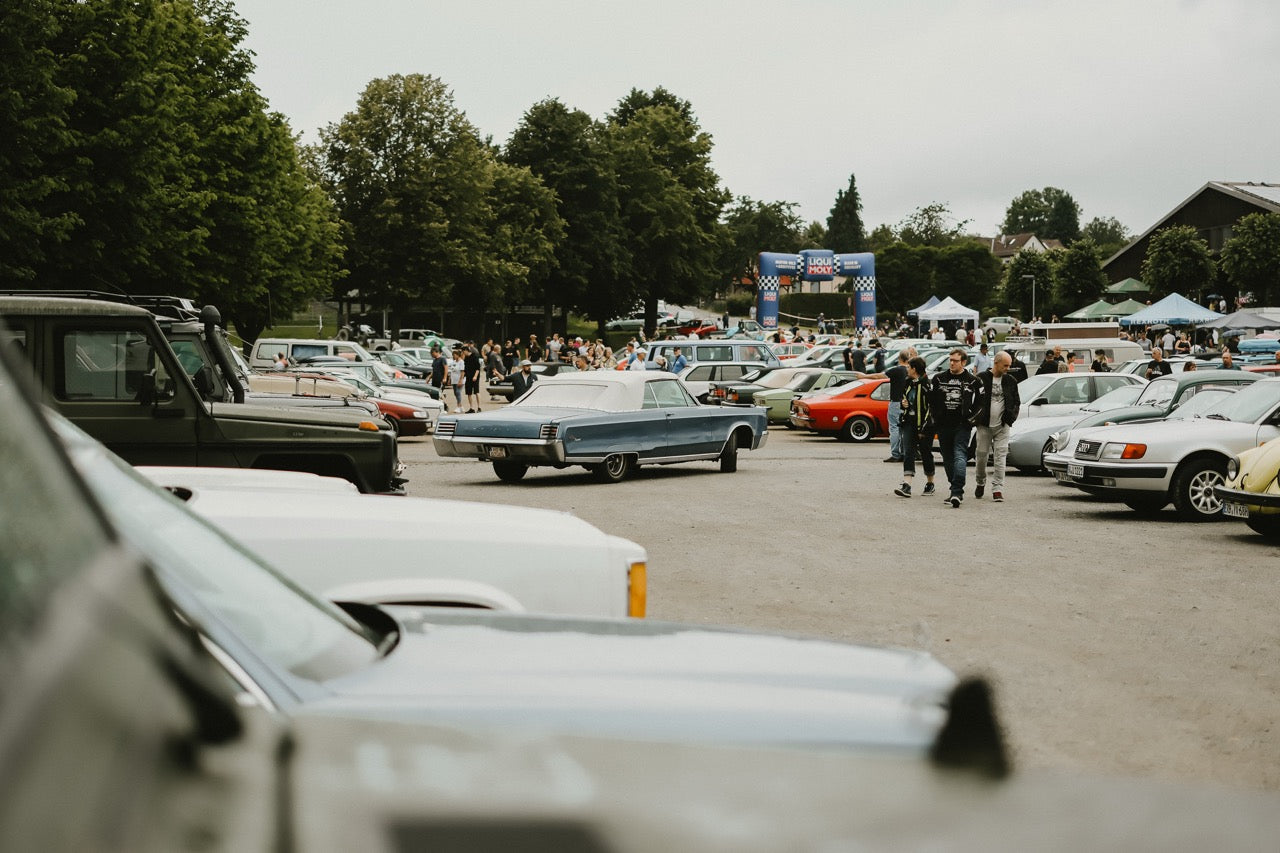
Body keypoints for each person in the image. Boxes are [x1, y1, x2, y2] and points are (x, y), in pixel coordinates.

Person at [929, 348, 980, 508]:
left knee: (959, 455)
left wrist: (971, 420)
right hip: (943, 425)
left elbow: (980, 404)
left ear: (963, 362)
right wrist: (935, 420)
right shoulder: (938, 379)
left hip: (962, 425)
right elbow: (931, 401)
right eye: (950, 360)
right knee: (947, 458)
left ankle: (957, 491)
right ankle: (955, 489)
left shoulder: (972, 381)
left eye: (955, 361)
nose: (952, 363)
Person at [972, 351, 1020, 503]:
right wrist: (975, 418)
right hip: (984, 425)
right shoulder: (981, 378)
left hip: (1002, 426)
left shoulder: (1011, 381)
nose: (1007, 368)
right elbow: (973, 399)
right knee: (981, 456)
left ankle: (997, 489)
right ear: (996, 363)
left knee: (1000, 457)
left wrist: (1011, 418)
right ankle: (980, 481)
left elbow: (1016, 402)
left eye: (1009, 365)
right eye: (1005, 365)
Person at [893, 356, 937, 498]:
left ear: (914, 369)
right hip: (909, 423)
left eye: (908, 367)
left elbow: (931, 408)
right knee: (908, 452)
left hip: (925, 425)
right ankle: (907, 485)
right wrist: (903, 403)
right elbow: (903, 398)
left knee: (925, 452)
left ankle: (930, 482)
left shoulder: (927, 385)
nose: (906, 369)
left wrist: (924, 428)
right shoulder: (907, 383)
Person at [464, 343, 483, 412]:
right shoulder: (466, 358)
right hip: (468, 377)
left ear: (466, 351)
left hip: (475, 376)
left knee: (476, 391)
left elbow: (478, 368)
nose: (463, 353)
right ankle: (471, 407)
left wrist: (475, 376)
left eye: (463, 352)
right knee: (469, 393)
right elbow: (465, 368)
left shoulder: (475, 357)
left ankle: (479, 407)